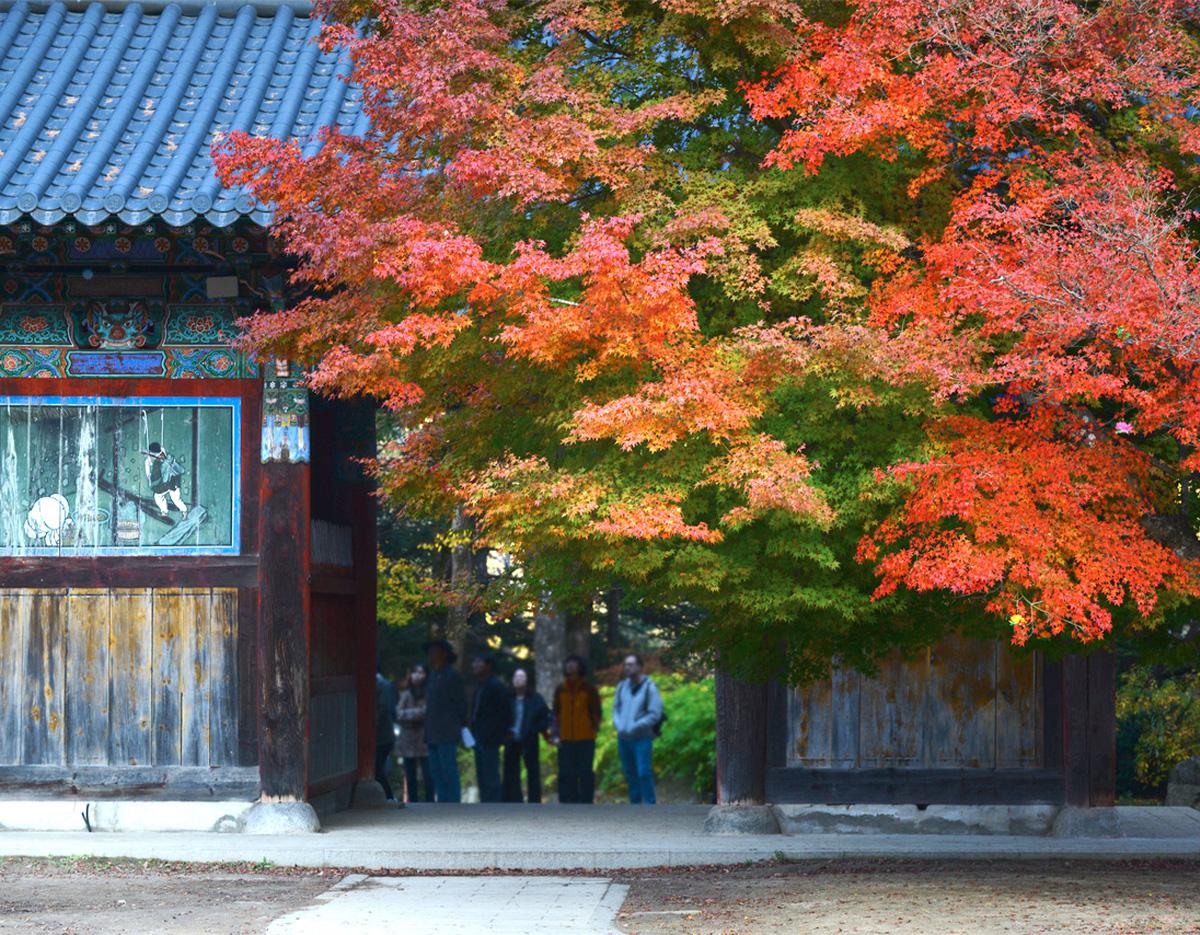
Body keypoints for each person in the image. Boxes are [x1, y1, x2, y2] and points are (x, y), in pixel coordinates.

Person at [612, 653, 664, 805]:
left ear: (640, 666)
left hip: (642, 737)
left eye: (631, 664)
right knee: (630, 773)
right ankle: (634, 806)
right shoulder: (622, 686)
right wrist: (619, 724)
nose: (627, 667)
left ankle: (649, 805)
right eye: (625, 664)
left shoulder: (649, 687)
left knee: (643, 772)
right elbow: (616, 708)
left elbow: (655, 713)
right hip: (623, 737)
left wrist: (637, 726)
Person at [552, 655, 601, 804]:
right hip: (565, 738)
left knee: (585, 772)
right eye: (568, 663)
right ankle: (567, 802)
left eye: (574, 663)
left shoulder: (589, 688)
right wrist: (555, 734)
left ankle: (586, 802)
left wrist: (593, 728)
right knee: (566, 772)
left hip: (585, 737)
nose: (571, 666)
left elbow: (596, 711)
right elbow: (555, 714)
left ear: (580, 667)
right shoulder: (560, 689)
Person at [424, 639, 467, 803]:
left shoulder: (452, 675)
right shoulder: (434, 675)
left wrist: (460, 723)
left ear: (443, 654)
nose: (431, 655)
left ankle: (453, 801)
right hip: (433, 730)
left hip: (447, 729)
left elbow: (461, 702)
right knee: (436, 770)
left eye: (434, 651)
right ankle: (442, 800)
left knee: (448, 769)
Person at [502, 668, 550, 803]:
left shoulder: (536, 698)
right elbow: (500, 718)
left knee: (533, 770)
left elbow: (545, 717)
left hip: (529, 738)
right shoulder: (507, 698)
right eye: (516, 676)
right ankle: (512, 799)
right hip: (511, 739)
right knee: (510, 770)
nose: (518, 679)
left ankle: (534, 800)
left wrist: (534, 729)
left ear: (527, 680)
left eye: (521, 677)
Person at [469, 653, 511, 803]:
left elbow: (505, 713)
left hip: (490, 736)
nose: (474, 665)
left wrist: (499, 734)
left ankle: (494, 805)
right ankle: (486, 804)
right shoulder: (480, 686)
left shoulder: (496, 686)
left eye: (478, 662)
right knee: (482, 773)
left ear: (488, 666)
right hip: (478, 735)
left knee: (491, 773)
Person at [395, 663, 434, 803]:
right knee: (410, 776)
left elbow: (428, 712)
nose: (417, 676)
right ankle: (413, 802)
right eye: (414, 672)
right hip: (407, 739)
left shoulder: (430, 693)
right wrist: (417, 714)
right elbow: (398, 713)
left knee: (428, 775)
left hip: (424, 738)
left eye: (421, 672)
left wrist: (410, 715)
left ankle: (431, 802)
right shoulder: (406, 694)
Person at [144, 442, 188, 519]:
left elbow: (155, 474)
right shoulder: (161, 456)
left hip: (171, 483)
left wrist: (149, 463)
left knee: (175, 499)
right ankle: (164, 511)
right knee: (158, 496)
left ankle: (184, 511)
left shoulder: (163, 460)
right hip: (165, 483)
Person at [374, 666, 398, 802]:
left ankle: (389, 796)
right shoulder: (382, 684)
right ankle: (388, 796)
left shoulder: (382, 685)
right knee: (377, 768)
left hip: (382, 736)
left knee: (377, 767)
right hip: (382, 735)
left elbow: (383, 709)